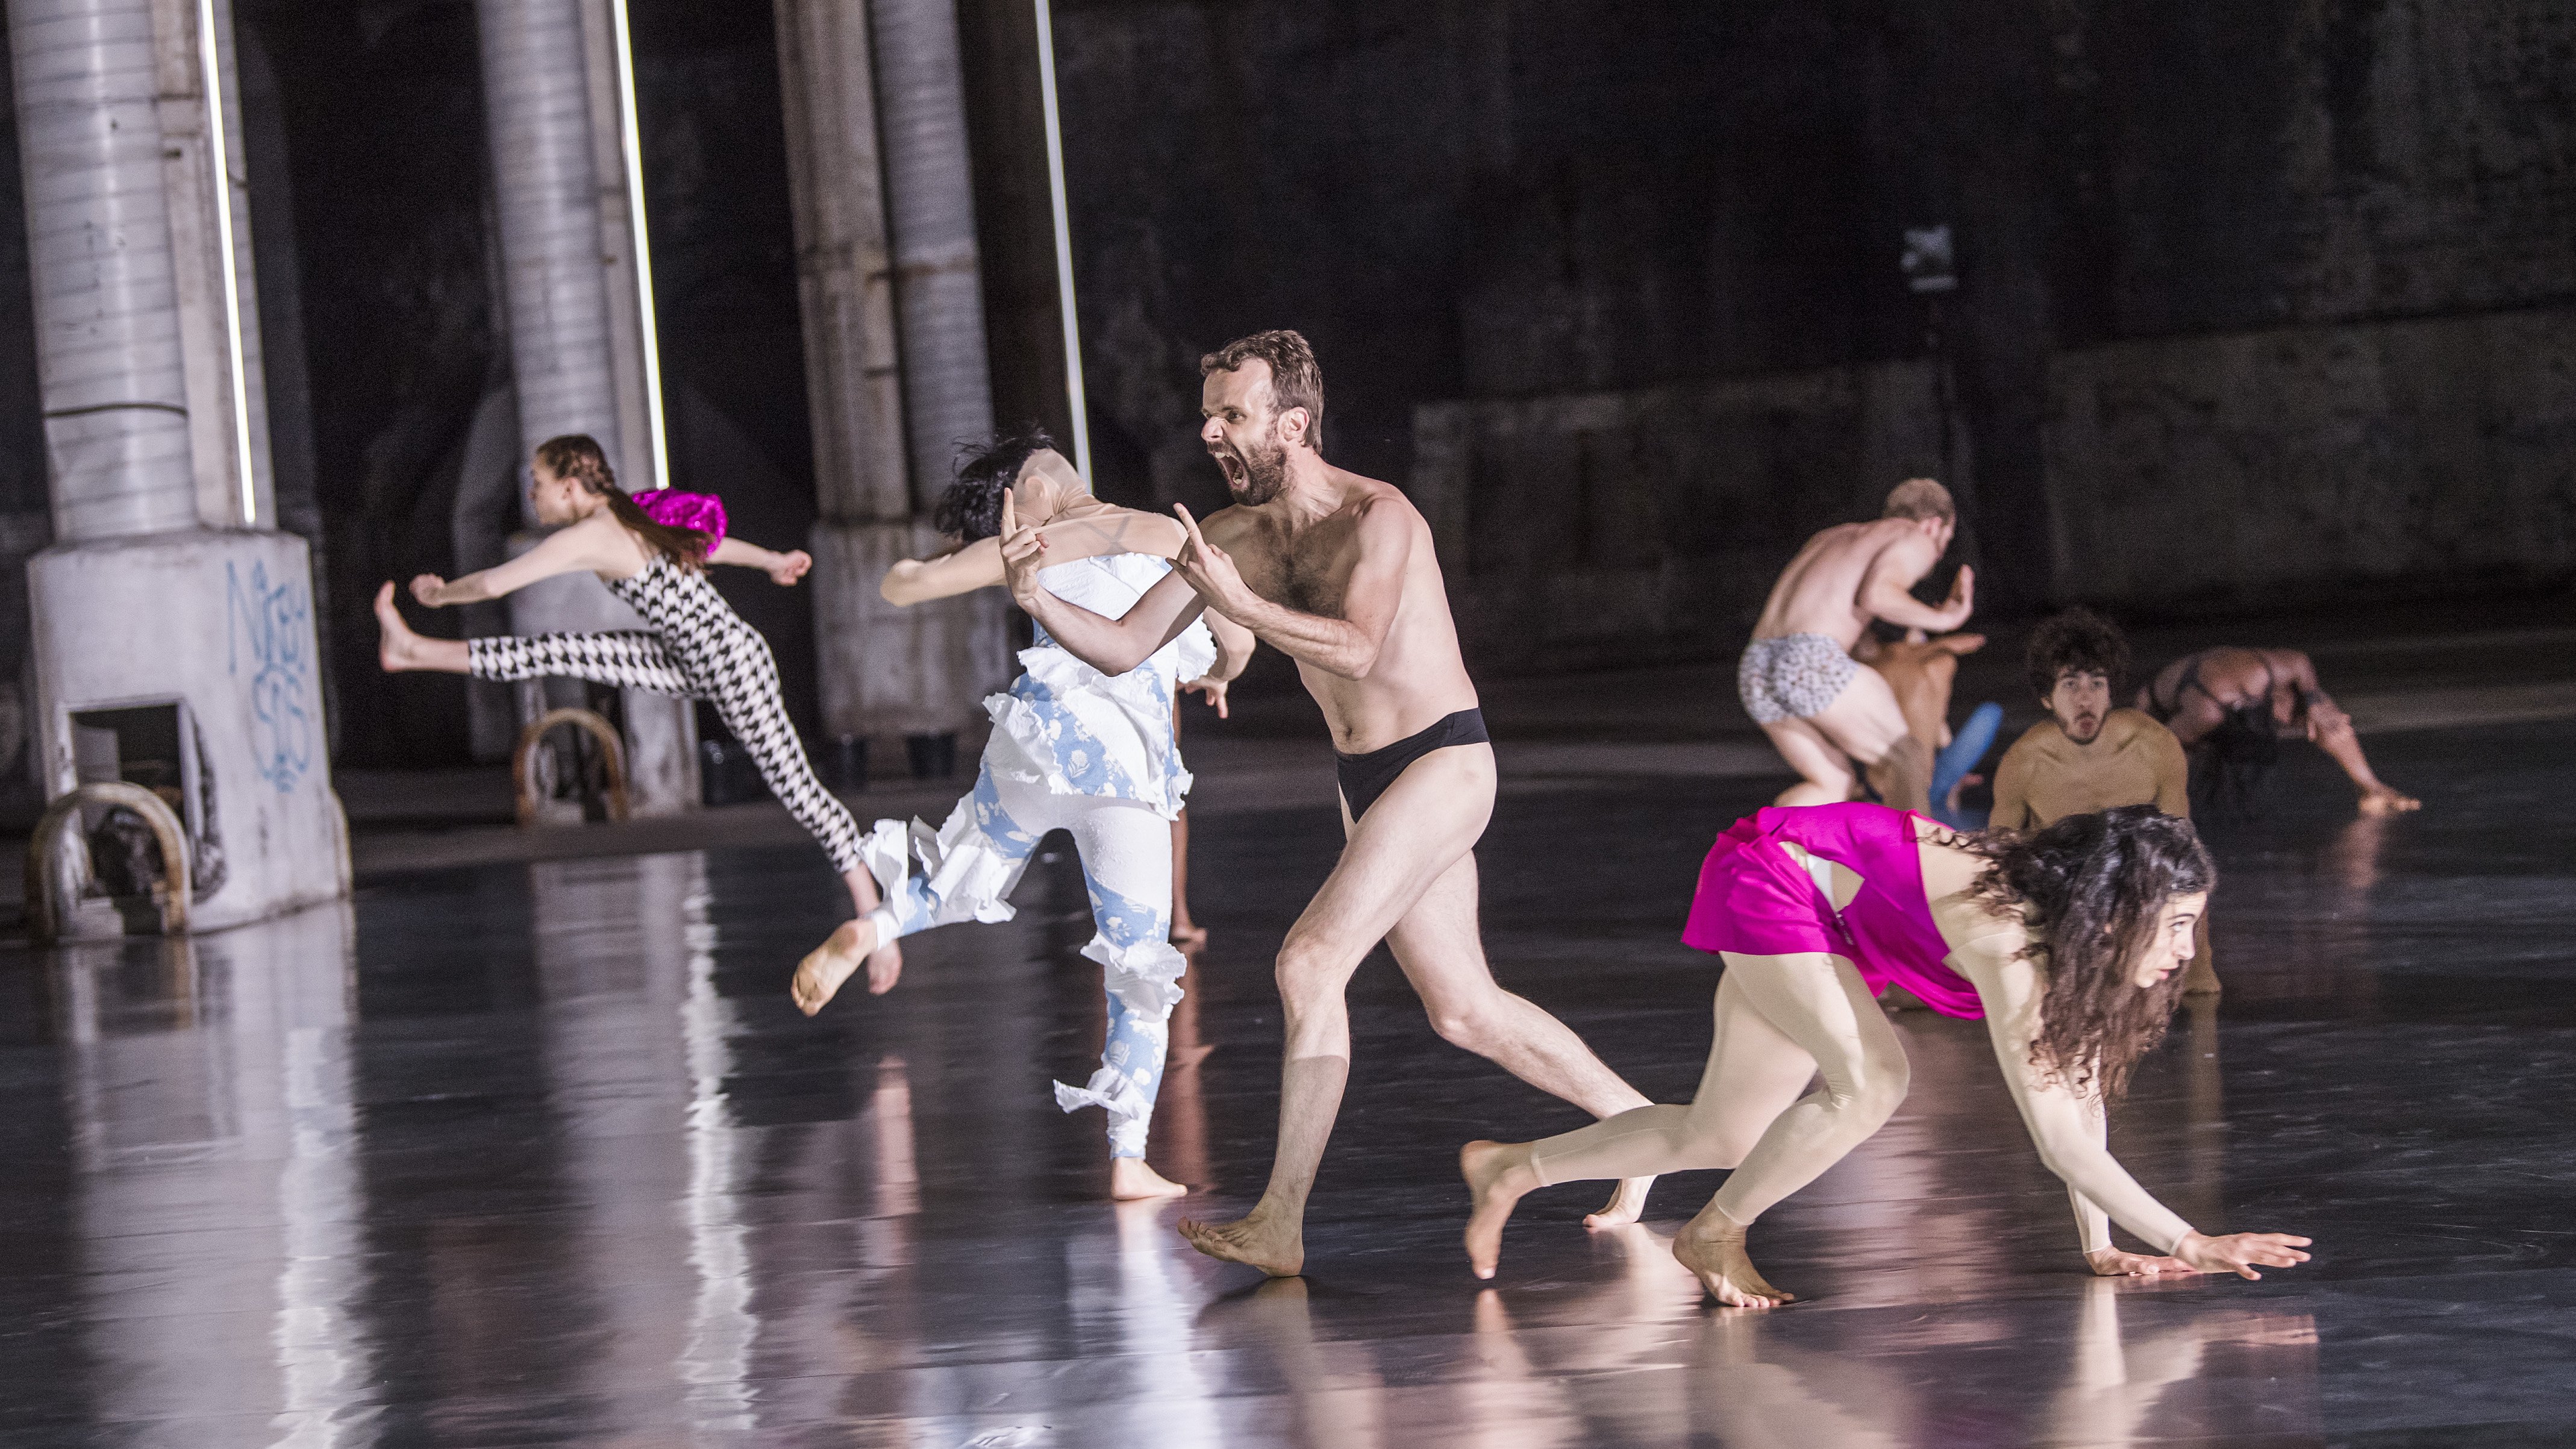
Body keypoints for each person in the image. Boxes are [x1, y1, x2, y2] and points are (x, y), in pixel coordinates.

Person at [989, 329, 1657, 1275]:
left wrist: (1243, 609)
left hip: (1445, 762)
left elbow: (1358, 648)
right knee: (1463, 1008)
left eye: (1234, 415)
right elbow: (1128, 645)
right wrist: (1039, 601)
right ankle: (1639, 1128)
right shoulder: (1227, 538)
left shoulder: (1381, 518)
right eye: (1208, 414)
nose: (1212, 432)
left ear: (1292, 423)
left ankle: (1281, 1221)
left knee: (1309, 962)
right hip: (1368, 780)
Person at [1458, 804, 2313, 1306]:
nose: (2186, 949)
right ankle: (1714, 1232)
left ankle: (1513, 1166)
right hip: (1775, 875)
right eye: (2175, 926)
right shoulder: (2011, 936)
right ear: (2117, 911)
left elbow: (2075, 1094)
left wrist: (2100, 1244)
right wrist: (2190, 1240)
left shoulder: (2067, 952)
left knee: (1724, 1135)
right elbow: (2057, 1141)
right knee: (1875, 1082)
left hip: (1820, 917)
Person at [787, 429, 1251, 1200]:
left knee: (964, 871)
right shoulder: (1169, 533)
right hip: (1123, 775)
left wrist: (942, 559)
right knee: (1138, 962)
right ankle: (1128, 1157)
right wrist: (1219, 674)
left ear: (1027, 496)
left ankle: (872, 928)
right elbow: (1233, 639)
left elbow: (900, 586)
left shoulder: (1034, 540)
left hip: (1036, 750)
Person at [372, 433, 900, 983]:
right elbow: (702, 544)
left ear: (570, 487)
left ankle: (877, 926)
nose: (531, 495)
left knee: (799, 790)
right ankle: (413, 650)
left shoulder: (591, 534)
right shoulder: (632, 511)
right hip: (682, 657)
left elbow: (494, 583)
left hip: (730, 663)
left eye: (538, 484)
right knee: (556, 649)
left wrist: (440, 595)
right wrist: (770, 560)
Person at [1993, 609, 2219, 993]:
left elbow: (2182, 852)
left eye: (2097, 684)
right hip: (2064, 891)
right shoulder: (2024, 763)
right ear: (2047, 699)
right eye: (2070, 685)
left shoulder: (2153, 746)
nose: (2086, 699)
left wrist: (2200, 966)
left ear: (2111, 691)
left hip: (2135, 885)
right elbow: (2000, 858)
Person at [1741, 481, 1975, 813]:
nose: (1937, 556)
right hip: (1810, 657)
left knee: (1834, 783)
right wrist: (1947, 619)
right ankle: (1911, 863)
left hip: (1756, 666)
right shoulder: (1913, 536)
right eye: (1944, 544)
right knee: (1906, 757)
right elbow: (1878, 595)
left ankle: (1767, 856)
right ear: (1934, 524)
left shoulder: (1830, 538)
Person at [2139, 647, 2419, 818]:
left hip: (2227, 696)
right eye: (2289, 721)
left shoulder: (2269, 672)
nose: (2289, 725)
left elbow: (2300, 662)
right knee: (2174, 764)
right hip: (2158, 710)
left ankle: (2372, 789)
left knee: (2325, 712)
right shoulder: (2207, 712)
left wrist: (2312, 702)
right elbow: (2161, 747)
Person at [1851, 627, 2000, 829]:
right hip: (1925, 789)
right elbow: (1940, 734)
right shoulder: (1941, 664)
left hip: (1879, 792)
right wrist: (1940, 644)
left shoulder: (1863, 671)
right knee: (1991, 712)